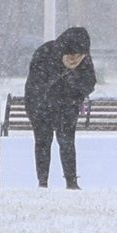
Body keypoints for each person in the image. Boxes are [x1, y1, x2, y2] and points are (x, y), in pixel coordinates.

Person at [24, 26, 96, 189]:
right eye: (71, 56)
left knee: (67, 142)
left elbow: (89, 83)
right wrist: (61, 73)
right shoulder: (45, 54)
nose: (74, 60)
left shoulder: (84, 61)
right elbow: (37, 84)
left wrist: (75, 84)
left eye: (79, 57)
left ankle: (71, 181)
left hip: (67, 107)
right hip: (40, 105)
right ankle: (43, 181)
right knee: (43, 141)